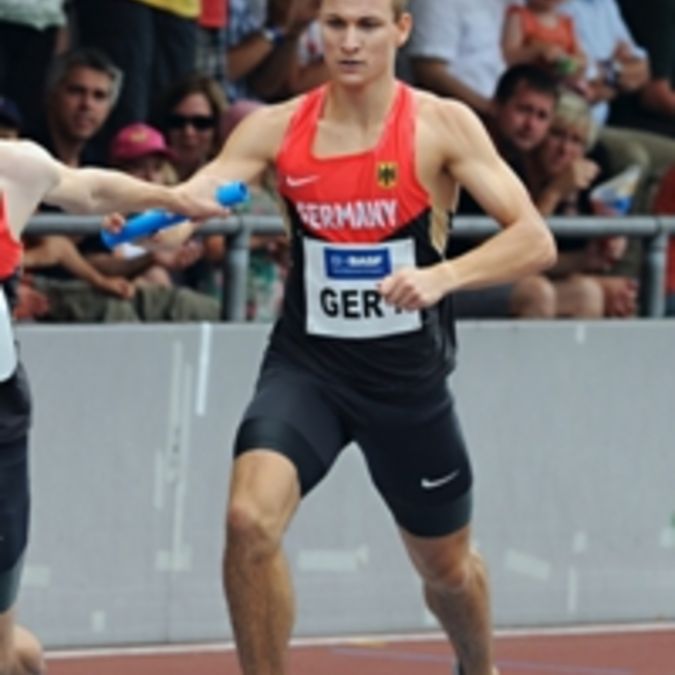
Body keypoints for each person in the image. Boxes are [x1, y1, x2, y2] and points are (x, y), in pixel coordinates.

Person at [175, 0, 556, 672]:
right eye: (336, 24)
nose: (349, 42)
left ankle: (479, 667)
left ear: (401, 30)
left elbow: (534, 240)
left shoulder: (440, 125)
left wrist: (443, 277)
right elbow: (203, 190)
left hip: (405, 385)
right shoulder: (276, 127)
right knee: (248, 521)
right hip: (309, 369)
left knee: (446, 571)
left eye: (368, 25)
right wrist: (167, 218)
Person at [0, 138, 227, 675]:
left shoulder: (13, 170)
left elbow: (90, 190)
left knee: (10, 653)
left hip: (1, 429)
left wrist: (174, 200)